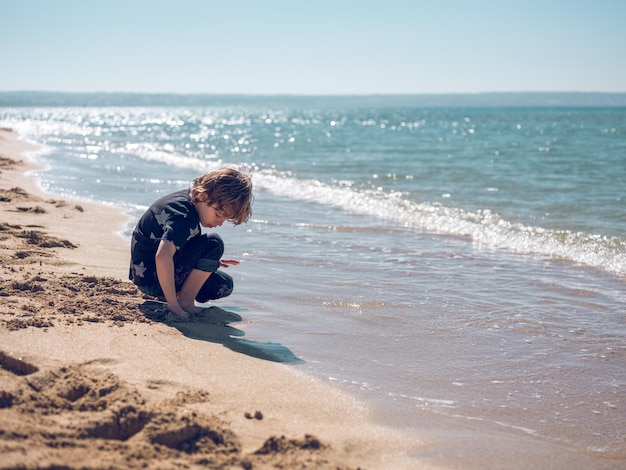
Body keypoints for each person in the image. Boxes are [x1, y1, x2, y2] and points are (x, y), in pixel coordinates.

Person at [129, 165, 253, 319]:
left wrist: (207, 260)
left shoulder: (187, 203)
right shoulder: (183, 216)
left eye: (225, 219)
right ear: (204, 197)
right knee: (214, 243)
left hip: (146, 275)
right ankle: (184, 303)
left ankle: (174, 296)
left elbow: (179, 245)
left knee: (222, 284)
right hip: (152, 278)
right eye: (218, 215)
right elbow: (162, 256)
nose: (220, 223)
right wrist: (173, 304)